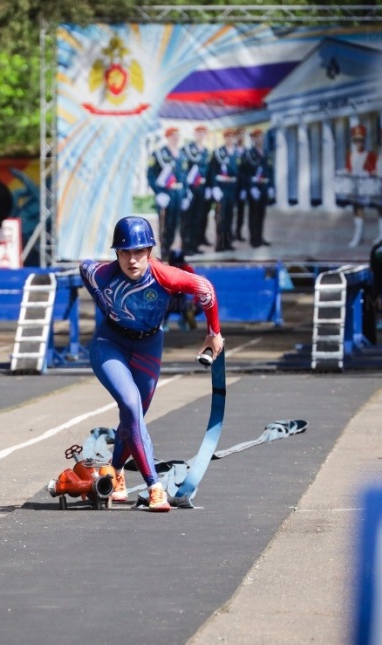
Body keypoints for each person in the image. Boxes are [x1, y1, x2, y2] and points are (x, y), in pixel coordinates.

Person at [79, 216, 224, 512]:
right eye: (125, 253)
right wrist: (105, 304)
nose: (132, 260)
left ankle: (115, 471)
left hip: (149, 346)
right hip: (110, 344)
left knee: (134, 415)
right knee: (130, 403)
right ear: (116, 253)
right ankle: (154, 486)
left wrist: (214, 332)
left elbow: (206, 289)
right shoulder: (103, 275)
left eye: (139, 252)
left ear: (149, 252)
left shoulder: (165, 275)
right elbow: (85, 268)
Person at [147, 127, 189, 259]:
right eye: (172, 136)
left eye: (177, 136)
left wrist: (186, 194)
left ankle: (170, 248)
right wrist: (158, 192)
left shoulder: (182, 155)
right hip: (165, 192)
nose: (175, 138)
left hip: (179, 192)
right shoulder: (158, 153)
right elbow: (150, 175)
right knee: (165, 223)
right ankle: (164, 251)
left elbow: (184, 175)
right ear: (167, 137)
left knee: (176, 222)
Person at [241, 128, 275, 248]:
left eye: (260, 137)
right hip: (254, 188)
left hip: (264, 187)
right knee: (253, 214)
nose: (259, 139)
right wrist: (250, 187)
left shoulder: (267, 153)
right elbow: (244, 173)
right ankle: (254, 239)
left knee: (262, 214)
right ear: (252, 139)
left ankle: (260, 237)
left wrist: (271, 187)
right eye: (256, 137)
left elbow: (270, 172)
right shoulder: (248, 154)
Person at [208, 128, 241, 252]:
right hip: (221, 188)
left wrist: (240, 189)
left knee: (230, 216)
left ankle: (228, 242)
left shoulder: (238, 153)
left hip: (232, 188)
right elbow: (212, 171)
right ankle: (219, 243)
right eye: (228, 137)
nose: (230, 139)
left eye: (232, 137)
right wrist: (215, 187)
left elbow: (241, 173)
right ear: (225, 138)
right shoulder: (218, 152)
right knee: (220, 216)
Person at [345, 124, 377, 248]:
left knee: (360, 210)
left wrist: (366, 173)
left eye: (361, 140)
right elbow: (349, 167)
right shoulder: (351, 154)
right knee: (355, 210)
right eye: (356, 140)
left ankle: (357, 236)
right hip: (353, 185)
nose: (359, 143)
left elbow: (373, 169)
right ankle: (359, 234)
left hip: (363, 185)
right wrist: (347, 172)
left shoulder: (369, 155)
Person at [181, 124, 212, 253]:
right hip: (190, 188)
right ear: (195, 134)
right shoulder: (186, 149)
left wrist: (210, 187)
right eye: (198, 133)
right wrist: (185, 189)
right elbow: (182, 170)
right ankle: (186, 246)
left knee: (198, 217)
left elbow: (209, 171)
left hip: (201, 188)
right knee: (188, 218)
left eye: (203, 133)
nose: (201, 135)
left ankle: (194, 245)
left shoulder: (206, 151)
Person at [162, 249, 199, 331]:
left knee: (197, 306)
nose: (177, 266)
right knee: (159, 303)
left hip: (182, 297)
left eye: (179, 264)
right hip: (168, 296)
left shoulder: (188, 269)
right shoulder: (165, 269)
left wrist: (194, 301)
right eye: (175, 264)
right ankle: (163, 322)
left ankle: (184, 320)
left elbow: (197, 287)